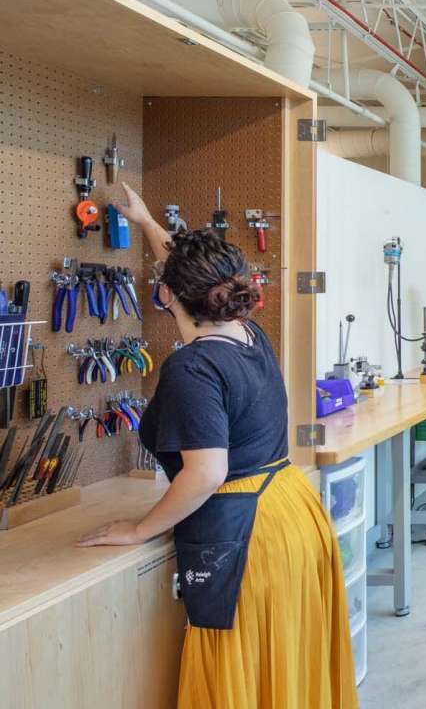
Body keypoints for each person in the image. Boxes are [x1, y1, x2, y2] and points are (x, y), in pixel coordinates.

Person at [78, 183, 358, 709]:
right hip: (290, 512)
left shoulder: (193, 366)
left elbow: (205, 473)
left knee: (238, 674)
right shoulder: (249, 334)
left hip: (244, 532)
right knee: (285, 668)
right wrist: (143, 221)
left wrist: (140, 529)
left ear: (166, 295)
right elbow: (188, 269)